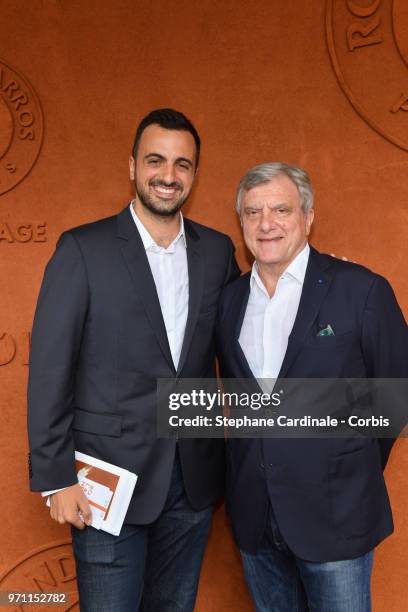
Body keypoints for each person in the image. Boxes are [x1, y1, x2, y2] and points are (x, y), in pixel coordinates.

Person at [27, 108, 239, 611]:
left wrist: (315, 276)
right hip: (105, 484)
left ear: (194, 173)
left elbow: (243, 339)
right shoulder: (82, 249)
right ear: (132, 167)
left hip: (192, 483)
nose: (168, 176)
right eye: (155, 161)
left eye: (182, 164)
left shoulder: (217, 251)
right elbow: (50, 367)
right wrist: (56, 478)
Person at [217, 162, 408, 611]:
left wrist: (346, 462)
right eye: (252, 212)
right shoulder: (228, 301)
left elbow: (396, 400)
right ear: (241, 222)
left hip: (336, 515)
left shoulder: (361, 291)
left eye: (281, 210)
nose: (266, 224)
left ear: (307, 217)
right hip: (254, 519)